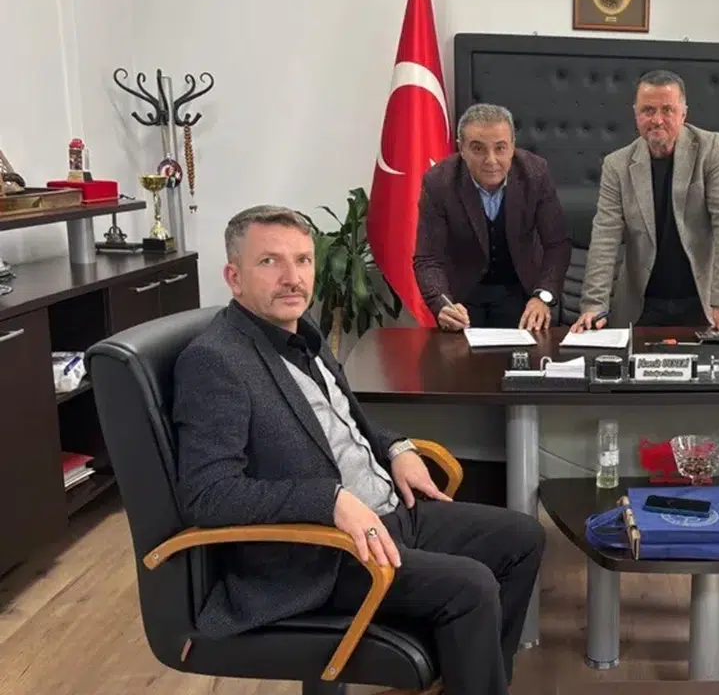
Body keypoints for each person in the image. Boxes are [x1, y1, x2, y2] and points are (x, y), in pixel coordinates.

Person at [172, 205, 546, 695]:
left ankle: (477, 680)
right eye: (269, 261)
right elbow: (208, 494)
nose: (292, 278)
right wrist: (328, 501)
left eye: (303, 260)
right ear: (234, 278)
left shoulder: (304, 336)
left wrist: (397, 447)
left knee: (522, 537)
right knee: (472, 586)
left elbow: (349, 424)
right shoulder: (215, 361)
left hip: (387, 513)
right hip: (321, 555)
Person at [571, 69, 719, 332]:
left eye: (667, 110)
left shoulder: (711, 149)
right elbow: (605, 237)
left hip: (707, 300)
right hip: (643, 304)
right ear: (636, 114)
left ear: (683, 114)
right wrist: (593, 304)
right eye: (648, 110)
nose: (657, 120)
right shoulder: (616, 165)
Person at [414, 102, 571, 331]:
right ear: (461, 149)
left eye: (500, 148)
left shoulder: (535, 173)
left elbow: (557, 245)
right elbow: (428, 258)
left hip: (523, 293)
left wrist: (542, 297)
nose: (491, 160)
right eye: (478, 149)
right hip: (463, 299)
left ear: (513, 147)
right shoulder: (439, 182)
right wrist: (442, 304)